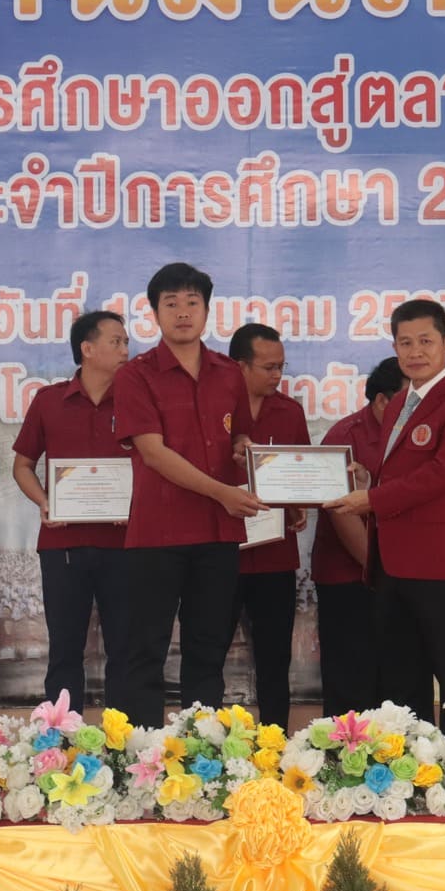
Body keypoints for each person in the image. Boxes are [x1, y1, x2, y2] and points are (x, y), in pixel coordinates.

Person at [328, 299, 445, 732]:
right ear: (395, 347)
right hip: (391, 562)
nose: (415, 352)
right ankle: (411, 763)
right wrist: (368, 478)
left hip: (439, 563)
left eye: (425, 341)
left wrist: (372, 499)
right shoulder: (400, 402)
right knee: (400, 677)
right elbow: (403, 471)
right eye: (405, 343)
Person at [113, 263, 263, 726]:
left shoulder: (229, 373)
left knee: (208, 648)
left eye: (192, 302)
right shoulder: (135, 375)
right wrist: (222, 492)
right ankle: (141, 749)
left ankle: (203, 748)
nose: (182, 312)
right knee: (145, 649)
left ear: (206, 310)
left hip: (218, 534)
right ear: (155, 313)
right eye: (171, 303)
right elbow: (153, 453)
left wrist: (244, 451)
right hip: (158, 532)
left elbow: (239, 435)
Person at [11, 309, 133, 713]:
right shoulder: (49, 401)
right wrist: (45, 502)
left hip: (125, 543)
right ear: (87, 348)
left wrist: (136, 504)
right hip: (62, 544)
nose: (125, 350)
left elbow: (154, 463)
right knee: (65, 648)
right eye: (116, 341)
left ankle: (123, 738)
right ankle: (63, 735)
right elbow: (22, 466)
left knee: (125, 648)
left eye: (126, 342)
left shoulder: (138, 400)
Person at [310, 357, 402, 717]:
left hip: (396, 576)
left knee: (393, 684)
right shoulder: (344, 437)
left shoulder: (413, 436)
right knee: (351, 685)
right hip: (350, 578)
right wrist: (380, 569)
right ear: (381, 401)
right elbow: (341, 512)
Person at [230, 322, 309, 730]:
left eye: (281, 366)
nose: (277, 375)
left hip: (275, 556)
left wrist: (298, 507)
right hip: (221, 555)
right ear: (239, 366)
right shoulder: (213, 413)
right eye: (268, 367)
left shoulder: (289, 411)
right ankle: (203, 744)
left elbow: (301, 475)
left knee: (275, 658)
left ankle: (275, 741)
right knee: (207, 653)